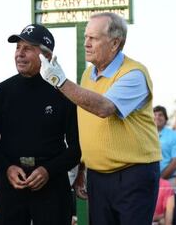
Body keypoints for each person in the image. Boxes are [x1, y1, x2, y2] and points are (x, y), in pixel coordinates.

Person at [39, 12, 161, 224]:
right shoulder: (88, 75)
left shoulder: (134, 74)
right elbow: (90, 125)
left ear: (115, 43)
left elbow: (104, 108)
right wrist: (82, 170)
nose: (86, 43)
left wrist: (59, 81)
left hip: (133, 175)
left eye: (93, 38)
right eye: (86, 37)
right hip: (97, 176)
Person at [0, 23, 81, 225]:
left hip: (52, 186)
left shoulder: (64, 92)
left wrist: (48, 170)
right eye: (17, 48)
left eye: (27, 48)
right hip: (10, 185)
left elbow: (76, 148)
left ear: (46, 56)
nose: (19, 54)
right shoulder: (1, 92)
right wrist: (7, 168)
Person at [154, 105, 176, 185]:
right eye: (154, 114)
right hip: (147, 180)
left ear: (166, 119)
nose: (157, 117)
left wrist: (160, 180)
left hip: (169, 180)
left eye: (160, 115)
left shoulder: (174, 135)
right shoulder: (144, 135)